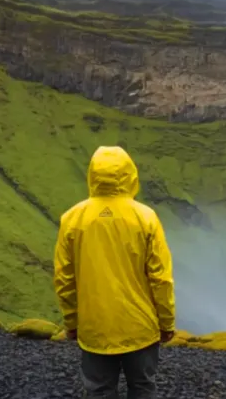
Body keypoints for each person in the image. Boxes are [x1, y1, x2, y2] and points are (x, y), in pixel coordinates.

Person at [53, 145, 176, 399]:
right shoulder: (146, 218)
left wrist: (72, 322)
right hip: (140, 329)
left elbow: (64, 279)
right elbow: (160, 278)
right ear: (130, 174)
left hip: (94, 328)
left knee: (98, 391)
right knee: (143, 388)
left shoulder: (72, 219)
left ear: (92, 175)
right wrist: (166, 322)